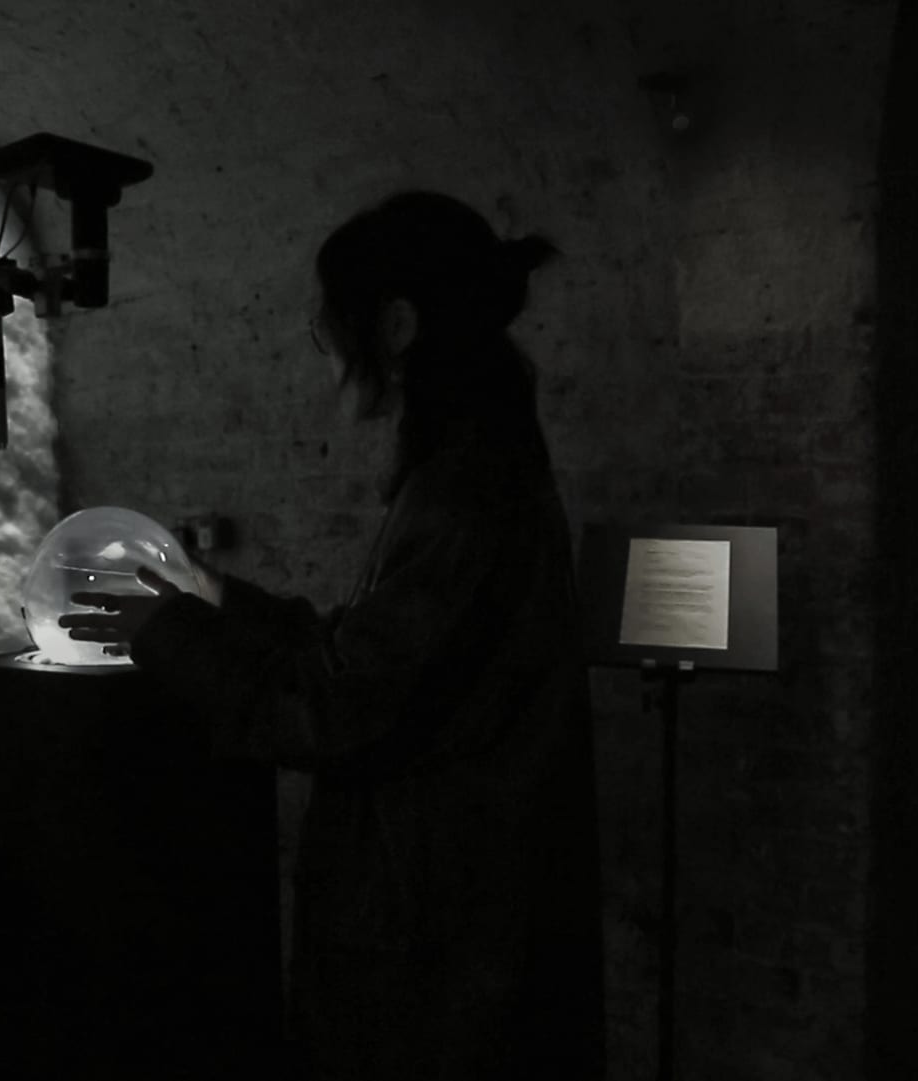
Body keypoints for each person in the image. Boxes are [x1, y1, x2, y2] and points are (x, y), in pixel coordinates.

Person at [59, 190, 606, 1079]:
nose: (324, 359)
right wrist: (219, 598)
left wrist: (160, 627)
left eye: (326, 332)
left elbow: (338, 707)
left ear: (394, 324)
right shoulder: (471, 467)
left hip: (443, 946)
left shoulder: (465, 491)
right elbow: (369, 652)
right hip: (456, 914)